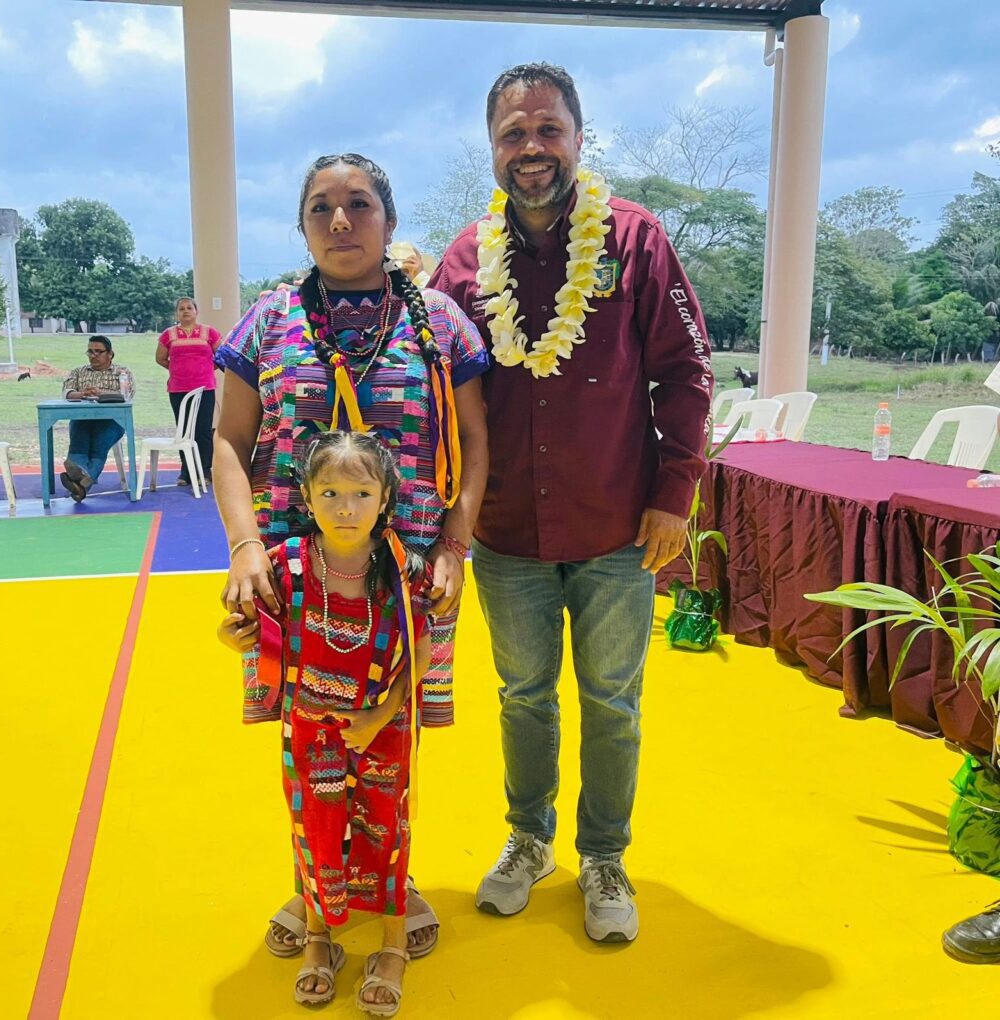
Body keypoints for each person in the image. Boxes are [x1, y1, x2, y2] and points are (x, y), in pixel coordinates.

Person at [429, 63, 713, 943]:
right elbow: (435, 391)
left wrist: (674, 496)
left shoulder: (636, 239)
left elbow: (687, 374)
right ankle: (528, 840)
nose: (532, 148)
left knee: (613, 702)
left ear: (579, 139)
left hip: (617, 527)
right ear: (492, 148)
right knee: (523, 696)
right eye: (513, 134)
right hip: (506, 530)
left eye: (548, 129)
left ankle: (604, 856)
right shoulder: (466, 259)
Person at [213, 153, 489, 962]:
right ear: (302, 226)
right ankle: (316, 884)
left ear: (389, 221)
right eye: (321, 208)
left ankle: (388, 881)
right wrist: (244, 546)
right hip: (298, 581)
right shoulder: (268, 322)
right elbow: (228, 441)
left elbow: (476, 444)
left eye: (360, 204)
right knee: (310, 739)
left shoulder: (441, 322)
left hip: (409, 577)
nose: (340, 221)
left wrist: (455, 544)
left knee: (390, 736)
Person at [219, 432, 431, 1013]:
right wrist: (232, 637)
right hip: (307, 735)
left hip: (384, 731)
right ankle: (319, 937)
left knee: (386, 832)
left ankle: (393, 944)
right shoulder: (284, 566)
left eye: (361, 494)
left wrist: (379, 715)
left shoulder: (402, 568)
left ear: (385, 499)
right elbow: (250, 630)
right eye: (330, 492)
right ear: (307, 497)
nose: (345, 508)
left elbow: (422, 647)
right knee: (313, 831)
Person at [59, 335, 136, 502]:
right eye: (90, 352)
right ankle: (81, 482)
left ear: (110, 354)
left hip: (112, 421)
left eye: (98, 352)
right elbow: (67, 392)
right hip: (82, 418)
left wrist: (102, 394)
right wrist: (82, 394)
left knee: (98, 445)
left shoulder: (122, 372)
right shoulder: (78, 372)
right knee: (78, 439)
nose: (93, 355)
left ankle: (78, 481)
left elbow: (127, 395)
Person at [155, 297, 222, 486]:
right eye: (181, 308)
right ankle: (186, 472)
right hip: (178, 389)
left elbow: (221, 356)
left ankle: (205, 472)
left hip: (204, 389)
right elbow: (160, 358)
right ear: (176, 313)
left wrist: (205, 370)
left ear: (196, 311)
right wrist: (177, 370)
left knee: (203, 431)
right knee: (184, 431)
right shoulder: (168, 334)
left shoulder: (209, 332)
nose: (185, 311)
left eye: (189, 308)